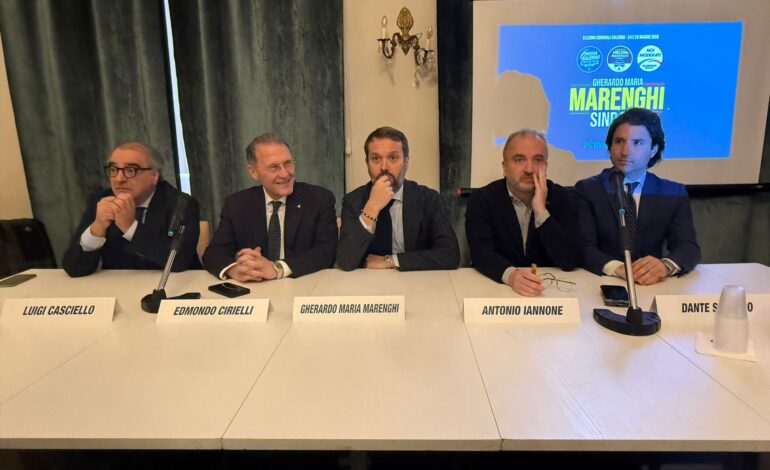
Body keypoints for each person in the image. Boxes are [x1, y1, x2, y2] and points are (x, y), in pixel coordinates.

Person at [575, 107, 701, 285]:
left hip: (653, 285)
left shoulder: (673, 193)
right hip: (604, 283)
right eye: (619, 141)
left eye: (638, 143)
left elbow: (688, 248)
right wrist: (619, 268)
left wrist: (664, 266)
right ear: (610, 146)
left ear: (653, 149)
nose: (625, 151)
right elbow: (583, 247)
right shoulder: (588, 189)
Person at [203, 133, 337, 281]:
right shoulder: (237, 204)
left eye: (288, 163)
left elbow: (326, 251)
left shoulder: (318, 199)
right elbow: (214, 253)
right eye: (274, 167)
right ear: (254, 172)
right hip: (256, 286)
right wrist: (235, 269)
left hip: (303, 283)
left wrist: (277, 268)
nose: (285, 174)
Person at [465, 129, 580, 296]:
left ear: (546, 166)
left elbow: (570, 260)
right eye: (519, 160)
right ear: (504, 167)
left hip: (548, 293)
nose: (529, 169)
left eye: (538, 160)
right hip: (497, 291)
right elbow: (481, 253)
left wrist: (541, 212)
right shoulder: (482, 199)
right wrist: (511, 276)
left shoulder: (562, 197)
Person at [63, 142, 200, 277]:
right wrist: (97, 228)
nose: (119, 179)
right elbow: (74, 268)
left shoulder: (181, 205)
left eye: (130, 170)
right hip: (117, 287)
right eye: (114, 170)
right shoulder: (102, 200)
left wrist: (130, 227)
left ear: (154, 176)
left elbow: (179, 262)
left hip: (171, 286)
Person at [336, 126, 459, 271]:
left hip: (416, 280)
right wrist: (372, 207)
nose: (384, 167)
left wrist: (391, 261)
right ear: (367, 163)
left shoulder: (429, 199)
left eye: (393, 158)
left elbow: (450, 255)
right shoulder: (353, 201)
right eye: (375, 158)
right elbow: (345, 261)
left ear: (406, 163)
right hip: (370, 281)